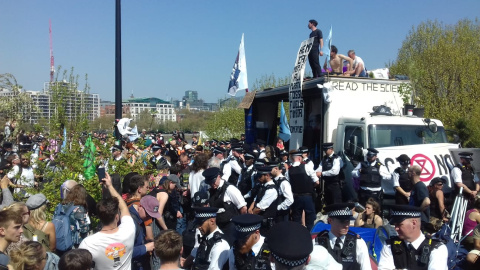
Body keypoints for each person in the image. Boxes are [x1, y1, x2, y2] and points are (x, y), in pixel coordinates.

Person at [79, 172, 136, 270]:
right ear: (117, 217)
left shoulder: (88, 243)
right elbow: (123, 208)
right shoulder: (128, 230)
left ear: (100, 217)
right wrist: (110, 186)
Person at [378, 205, 448, 270]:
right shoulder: (390, 245)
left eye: (399, 225)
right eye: (395, 225)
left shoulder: (437, 248)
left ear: (414, 223)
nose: (396, 228)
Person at [315, 203, 372, 270]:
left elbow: (366, 268)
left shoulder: (358, 243)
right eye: (342, 222)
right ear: (330, 220)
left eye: (348, 221)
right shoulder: (318, 243)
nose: (346, 225)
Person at [204, 167, 247, 246]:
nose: (212, 184)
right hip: (217, 226)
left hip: (230, 227)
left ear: (219, 176)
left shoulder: (230, 189)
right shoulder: (211, 190)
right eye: (210, 183)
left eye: (213, 182)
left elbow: (243, 208)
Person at [286, 150, 319, 231]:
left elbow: (288, 184)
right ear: (300, 158)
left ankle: (298, 236)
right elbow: (317, 182)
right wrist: (310, 187)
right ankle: (311, 235)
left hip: (296, 197)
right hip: (308, 196)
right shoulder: (307, 167)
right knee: (310, 218)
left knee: (296, 217)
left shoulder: (289, 170)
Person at [248, 165, 278, 234]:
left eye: (260, 176)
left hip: (266, 224)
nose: (258, 178)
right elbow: (256, 199)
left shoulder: (271, 190)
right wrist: (250, 208)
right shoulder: (263, 186)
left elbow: (260, 207)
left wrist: (250, 217)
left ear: (267, 175)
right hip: (259, 222)